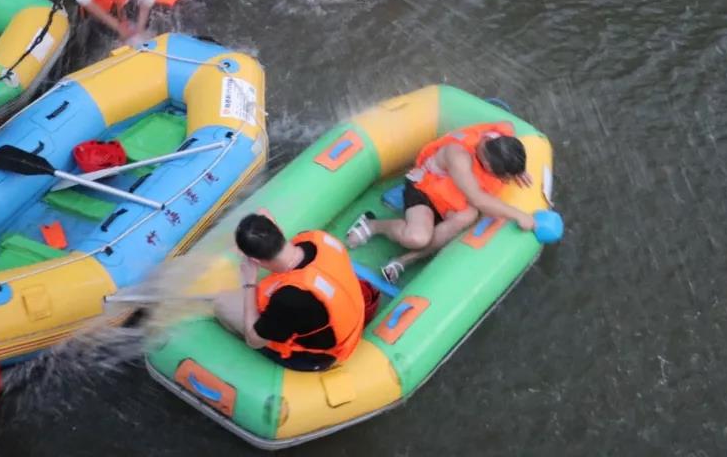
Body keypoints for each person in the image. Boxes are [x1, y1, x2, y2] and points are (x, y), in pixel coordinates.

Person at [346, 122, 537, 283]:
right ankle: (373, 225)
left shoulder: (500, 138)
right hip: (424, 191)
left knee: (468, 215)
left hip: (451, 199)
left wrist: (517, 169)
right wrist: (519, 215)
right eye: (503, 177)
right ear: (487, 165)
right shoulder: (458, 155)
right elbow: (477, 198)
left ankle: (406, 260)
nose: (506, 181)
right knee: (417, 238)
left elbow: (509, 126)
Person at [214, 213, 365, 372]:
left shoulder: (289, 299)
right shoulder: (318, 238)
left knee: (222, 304)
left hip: (318, 356)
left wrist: (249, 282)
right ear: (278, 229)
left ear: (255, 261)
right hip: (351, 318)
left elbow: (255, 340)